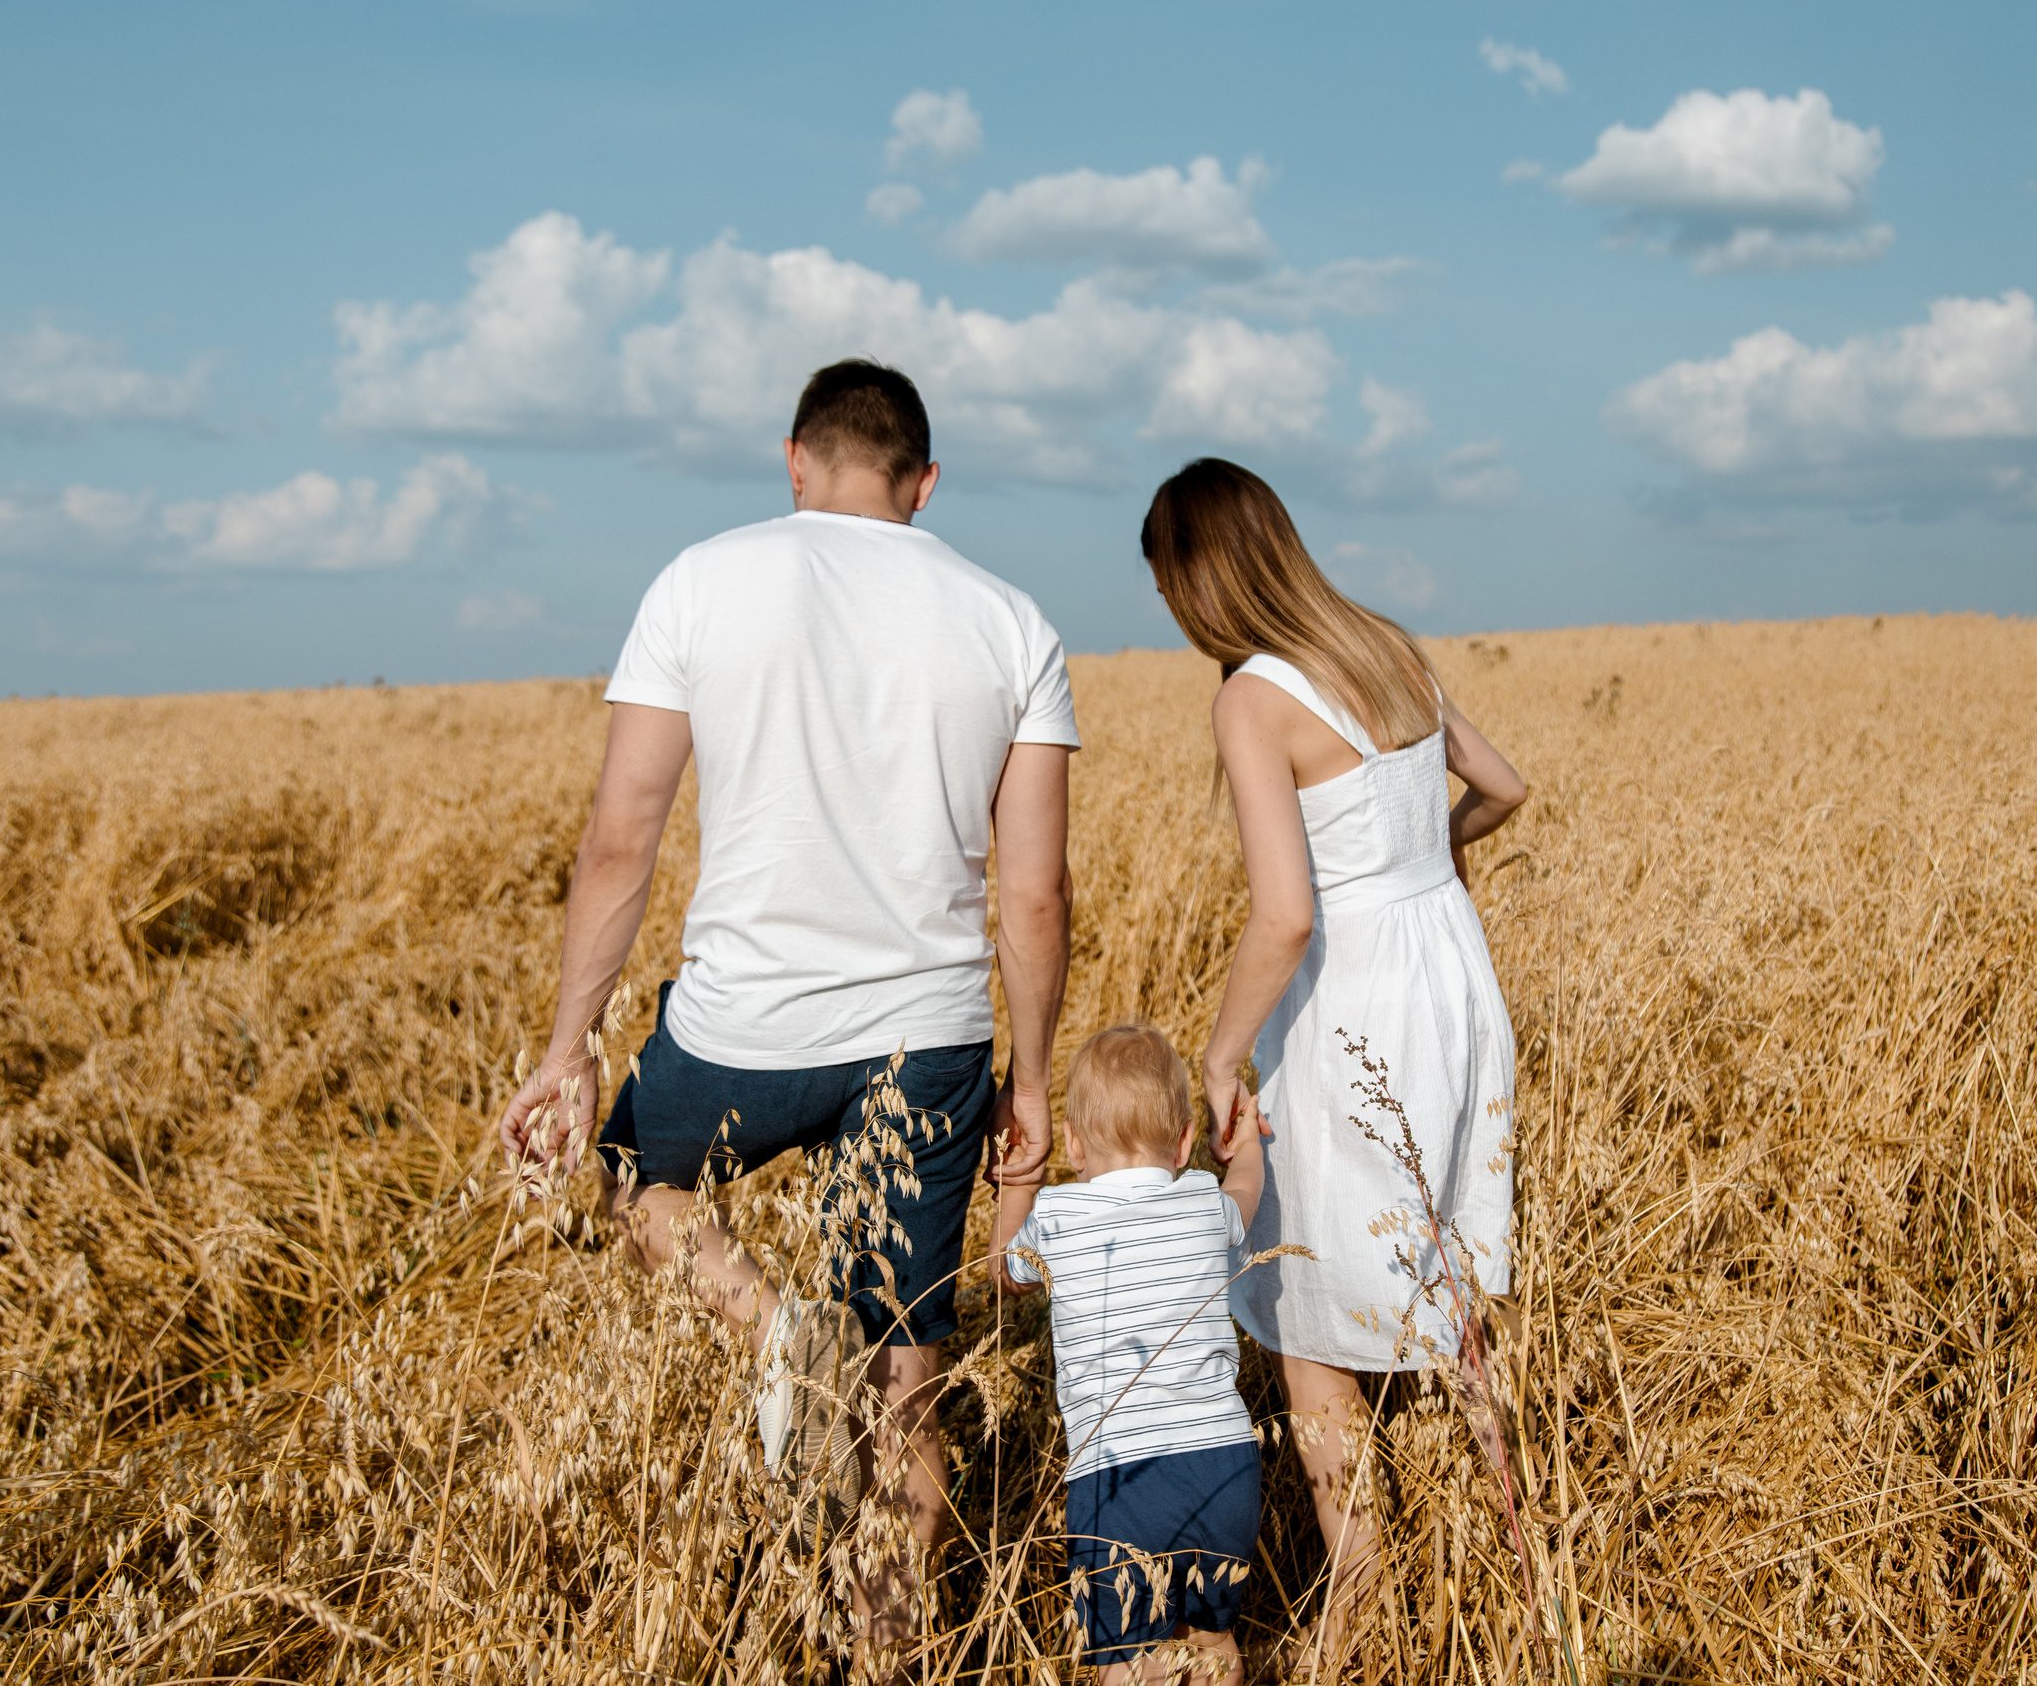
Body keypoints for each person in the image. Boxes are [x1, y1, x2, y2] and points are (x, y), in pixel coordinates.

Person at [497, 359, 1078, 1662]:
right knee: (903, 1400)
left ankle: (768, 1326)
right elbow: (1034, 893)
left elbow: (619, 836)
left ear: (795, 459)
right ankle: (887, 1651)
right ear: (924, 482)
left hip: (736, 1028)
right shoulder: (1009, 617)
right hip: (928, 1042)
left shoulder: (703, 576)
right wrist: (1027, 1082)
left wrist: (567, 1047)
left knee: (623, 1167)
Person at [1137, 457, 1528, 1664]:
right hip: (1453, 982)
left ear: (1197, 581)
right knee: (1447, 1276)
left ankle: (1356, 1615)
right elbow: (1505, 789)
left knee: (1306, 1316)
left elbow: (1288, 914)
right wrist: (1423, 868)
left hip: (1350, 1005)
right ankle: (1525, 1557)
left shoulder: (1252, 695)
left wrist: (1213, 1057)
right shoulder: (1382, 642)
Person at [991, 1024, 1266, 1686]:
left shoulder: (1055, 1214)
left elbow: (1003, 1270)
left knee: (1127, 1660)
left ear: (1076, 1143)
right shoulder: (1204, 1195)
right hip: (1222, 1467)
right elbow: (1247, 1195)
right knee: (1213, 1636)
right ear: (1181, 1141)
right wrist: (1248, 1143)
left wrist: (1017, 1179)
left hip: (1118, 1481)